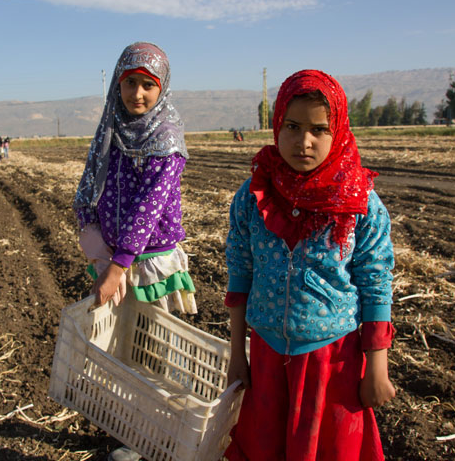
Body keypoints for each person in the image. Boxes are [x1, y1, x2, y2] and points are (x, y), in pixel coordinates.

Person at [224, 70, 396, 461]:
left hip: (331, 362)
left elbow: (375, 282)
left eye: (319, 129)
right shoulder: (253, 196)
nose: (304, 142)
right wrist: (238, 353)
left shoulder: (360, 202)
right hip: (266, 356)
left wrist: (376, 366)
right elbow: (240, 272)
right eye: (292, 126)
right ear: (276, 125)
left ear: (338, 131)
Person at [74, 41, 197, 461]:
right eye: (130, 83)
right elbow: (88, 192)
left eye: (148, 85)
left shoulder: (165, 137)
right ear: (117, 83)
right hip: (114, 262)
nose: (138, 94)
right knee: (126, 349)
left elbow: (149, 206)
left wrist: (120, 263)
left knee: (156, 349)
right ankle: (137, 428)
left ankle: (161, 437)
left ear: (162, 89)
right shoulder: (111, 128)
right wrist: (98, 253)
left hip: (147, 265)